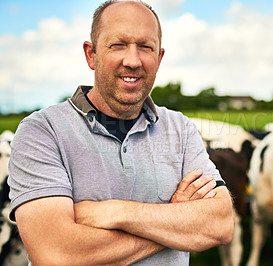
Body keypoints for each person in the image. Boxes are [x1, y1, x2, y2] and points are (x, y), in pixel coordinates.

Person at [7, 0, 234, 265]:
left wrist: (115, 212)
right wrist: (176, 220)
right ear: (91, 54)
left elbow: (220, 223)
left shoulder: (180, 129)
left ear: (159, 59)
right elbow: (56, 255)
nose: (133, 61)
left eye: (145, 47)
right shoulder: (42, 132)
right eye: (118, 45)